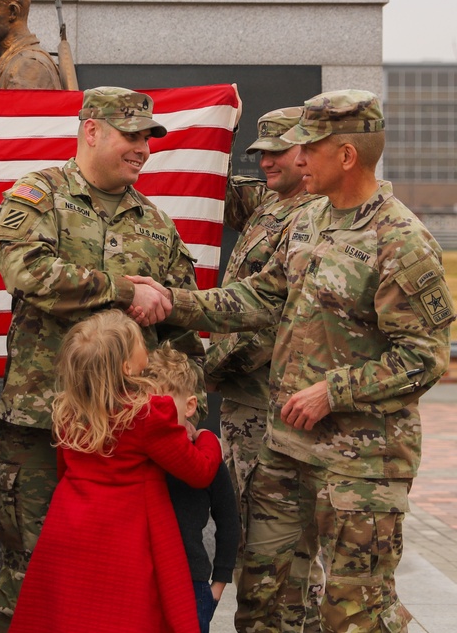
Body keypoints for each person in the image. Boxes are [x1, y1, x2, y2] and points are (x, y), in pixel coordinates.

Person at [130, 90, 455, 632]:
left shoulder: (401, 240)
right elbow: (258, 297)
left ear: (346, 155)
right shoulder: (307, 223)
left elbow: (425, 357)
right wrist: (171, 299)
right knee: (263, 597)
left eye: (308, 147)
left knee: (354, 613)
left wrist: (335, 391)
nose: (296, 158)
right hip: (285, 450)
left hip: (361, 466)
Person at [0, 86, 207, 632]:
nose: (142, 148)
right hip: (46, 420)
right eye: (131, 135)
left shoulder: (157, 224)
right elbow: (27, 272)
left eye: (148, 138)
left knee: (119, 582)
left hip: (130, 439)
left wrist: (187, 402)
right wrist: (122, 291)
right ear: (91, 130)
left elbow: (181, 324)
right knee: (31, 564)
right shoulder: (39, 194)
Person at [7, 310, 221, 633]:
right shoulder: (148, 416)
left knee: (69, 616)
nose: (144, 343)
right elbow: (200, 471)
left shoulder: (68, 409)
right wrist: (207, 439)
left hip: (69, 529)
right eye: (138, 340)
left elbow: (64, 468)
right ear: (127, 366)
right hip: (128, 540)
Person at [207, 106, 323, 630]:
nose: (267, 162)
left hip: (272, 404)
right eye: (262, 152)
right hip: (246, 403)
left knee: (283, 547)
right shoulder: (274, 202)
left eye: (279, 151)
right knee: (255, 535)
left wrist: (214, 362)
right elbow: (220, 185)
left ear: (309, 152)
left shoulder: (314, 217)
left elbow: (280, 313)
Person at [147, 343, 239, 633]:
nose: (153, 413)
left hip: (192, 583)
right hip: (143, 581)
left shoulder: (205, 458)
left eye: (162, 403)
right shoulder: (139, 455)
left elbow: (228, 521)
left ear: (189, 406)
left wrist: (218, 585)